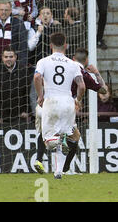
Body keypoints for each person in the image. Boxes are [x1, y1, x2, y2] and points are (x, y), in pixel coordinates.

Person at [33, 47, 106, 175]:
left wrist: (41, 95)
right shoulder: (80, 72)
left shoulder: (52, 63)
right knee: (71, 137)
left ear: (73, 58)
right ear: (87, 60)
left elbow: (40, 78)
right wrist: (96, 73)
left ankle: (42, 161)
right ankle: (64, 168)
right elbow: (103, 91)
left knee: (46, 132)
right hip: (66, 107)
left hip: (46, 104)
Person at [33, 32, 85, 179]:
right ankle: (59, 172)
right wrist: (78, 101)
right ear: (66, 46)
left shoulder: (43, 61)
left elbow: (37, 77)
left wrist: (40, 95)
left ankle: (58, 141)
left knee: (48, 141)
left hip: (51, 102)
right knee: (72, 137)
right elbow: (81, 86)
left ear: (50, 46)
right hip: (68, 103)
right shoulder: (73, 64)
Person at [0, 45, 30, 123]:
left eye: (11, 57)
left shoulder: (23, 70)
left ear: (15, 57)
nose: (8, 59)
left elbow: (26, 92)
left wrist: (26, 110)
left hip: (19, 115)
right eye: (6, 57)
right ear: (2, 58)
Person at [0, 2, 28, 67]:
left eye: (6, 10)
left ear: (10, 11)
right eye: (1, 10)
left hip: (13, 61)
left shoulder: (18, 23)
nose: (3, 12)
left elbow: (23, 44)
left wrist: (22, 64)